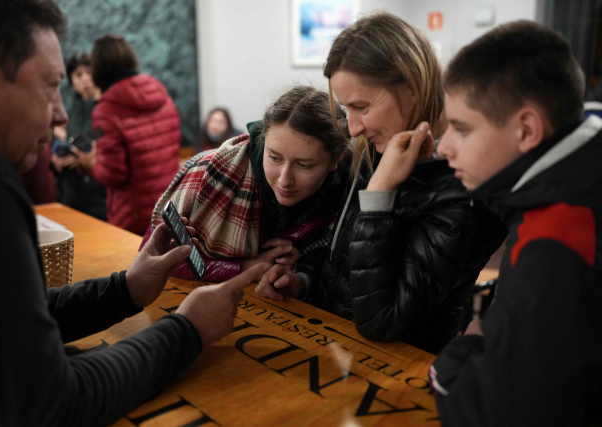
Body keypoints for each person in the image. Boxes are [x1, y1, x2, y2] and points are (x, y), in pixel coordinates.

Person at [0, 1, 268, 426]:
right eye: (50, 87)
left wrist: (126, 291)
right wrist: (187, 331)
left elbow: (7, 325)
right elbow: (51, 403)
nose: (61, 114)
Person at [255, 12, 507, 355]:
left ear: (411, 87)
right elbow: (342, 248)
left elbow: (381, 321)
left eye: (361, 107)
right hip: (333, 343)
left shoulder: (467, 187)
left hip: (398, 370)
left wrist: (380, 193)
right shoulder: (378, 144)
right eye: (346, 108)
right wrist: (304, 281)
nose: (353, 128)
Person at [430, 21, 602, 426]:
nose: (444, 145)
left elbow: (491, 414)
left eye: (461, 128)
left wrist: (460, 353)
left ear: (526, 129)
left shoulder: (556, 240)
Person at [143, 86, 352, 282]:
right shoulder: (210, 172)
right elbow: (151, 258)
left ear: (336, 159)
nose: (284, 179)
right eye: (274, 158)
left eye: (304, 165)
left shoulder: (344, 192)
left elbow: (329, 262)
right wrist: (246, 267)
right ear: (263, 139)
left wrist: (300, 264)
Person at [71, 34, 181, 235]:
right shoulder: (161, 94)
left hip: (134, 217)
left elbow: (114, 174)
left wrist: (92, 163)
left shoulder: (107, 109)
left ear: (98, 68)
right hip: (170, 208)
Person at [51, 53, 107, 220]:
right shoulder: (69, 111)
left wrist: (87, 159)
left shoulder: (108, 109)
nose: (85, 79)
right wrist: (57, 158)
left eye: (89, 73)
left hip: (101, 197)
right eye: (78, 75)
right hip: (72, 193)